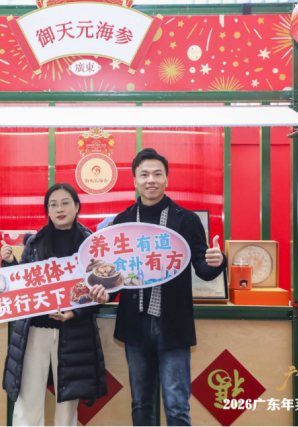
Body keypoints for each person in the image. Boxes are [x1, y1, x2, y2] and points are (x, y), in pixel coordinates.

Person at [89, 148, 226, 426]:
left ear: (166, 179)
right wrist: (103, 293)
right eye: (144, 174)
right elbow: (116, 276)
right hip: (134, 324)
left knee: (177, 405)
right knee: (141, 403)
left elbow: (203, 269)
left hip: (173, 324)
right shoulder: (122, 222)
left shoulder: (186, 219)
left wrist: (217, 261)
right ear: (135, 180)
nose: (150, 180)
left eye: (157, 174)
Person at [1, 183, 107, 426]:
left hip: (74, 331)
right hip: (35, 329)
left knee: (67, 403)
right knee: (28, 399)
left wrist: (74, 312)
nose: (59, 209)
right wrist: (9, 263)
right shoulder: (35, 242)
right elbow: (21, 283)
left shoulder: (92, 243)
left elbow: (100, 289)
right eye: (53, 204)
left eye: (65, 203)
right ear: (47, 210)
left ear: (77, 206)